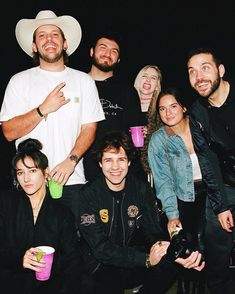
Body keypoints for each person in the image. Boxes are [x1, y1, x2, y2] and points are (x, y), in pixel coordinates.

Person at [0, 10, 105, 215]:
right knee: (32, 245)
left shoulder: (84, 81)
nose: (49, 39)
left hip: (71, 181)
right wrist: (42, 110)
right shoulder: (19, 81)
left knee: (72, 245)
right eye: (42, 35)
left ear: (65, 43)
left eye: (55, 34)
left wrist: (71, 161)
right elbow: (8, 131)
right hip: (30, 183)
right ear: (34, 46)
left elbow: (89, 127)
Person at [75, 130, 205, 294]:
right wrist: (145, 259)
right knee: (103, 282)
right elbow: (100, 248)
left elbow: (152, 232)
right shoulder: (88, 194)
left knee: (169, 266)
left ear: (129, 162)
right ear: (100, 163)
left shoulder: (141, 189)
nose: (115, 167)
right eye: (108, 160)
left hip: (131, 260)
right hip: (99, 265)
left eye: (121, 159)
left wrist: (172, 252)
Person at [148, 87, 232, 293]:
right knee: (189, 254)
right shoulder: (159, 140)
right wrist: (172, 215)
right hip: (184, 199)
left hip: (214, 193)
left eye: (173, 106)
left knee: (215, 251)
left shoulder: (201, 126)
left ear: (184, 107)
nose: (168, 113)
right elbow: (163, 181)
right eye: (162, 109)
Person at [0, 138, 82, 294]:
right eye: (20, 172)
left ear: (46, 173)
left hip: (50, 287)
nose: (25, 178)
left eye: (32, 171)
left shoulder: (61, 213)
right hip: (10, 283)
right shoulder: (6, 203)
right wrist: (19, 259)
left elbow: (72, 262)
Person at [187, 47, 234, 294]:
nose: (199, 77)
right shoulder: (198, 112)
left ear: (221, 70)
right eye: (192, 72)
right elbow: (208, 161)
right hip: (227, 186)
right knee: (215, 249)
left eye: (205, 68)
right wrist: (221, 206)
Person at [83, 31, 145, 182]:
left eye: (114, 51)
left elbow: (135, 135)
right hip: (81, 174)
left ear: (118, 60)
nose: (107, 54)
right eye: (103, 47)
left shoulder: (127, 90)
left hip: (120, 173)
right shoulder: (78, 84)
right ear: (92, 51)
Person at [134, 64, 163, 183]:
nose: (148, 80)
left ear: (157, 85)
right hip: (130, 163)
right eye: (145, 76)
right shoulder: (127, 103)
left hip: (155, 165)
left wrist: (153, 131)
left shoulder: (161, 106)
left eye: (153, 78)